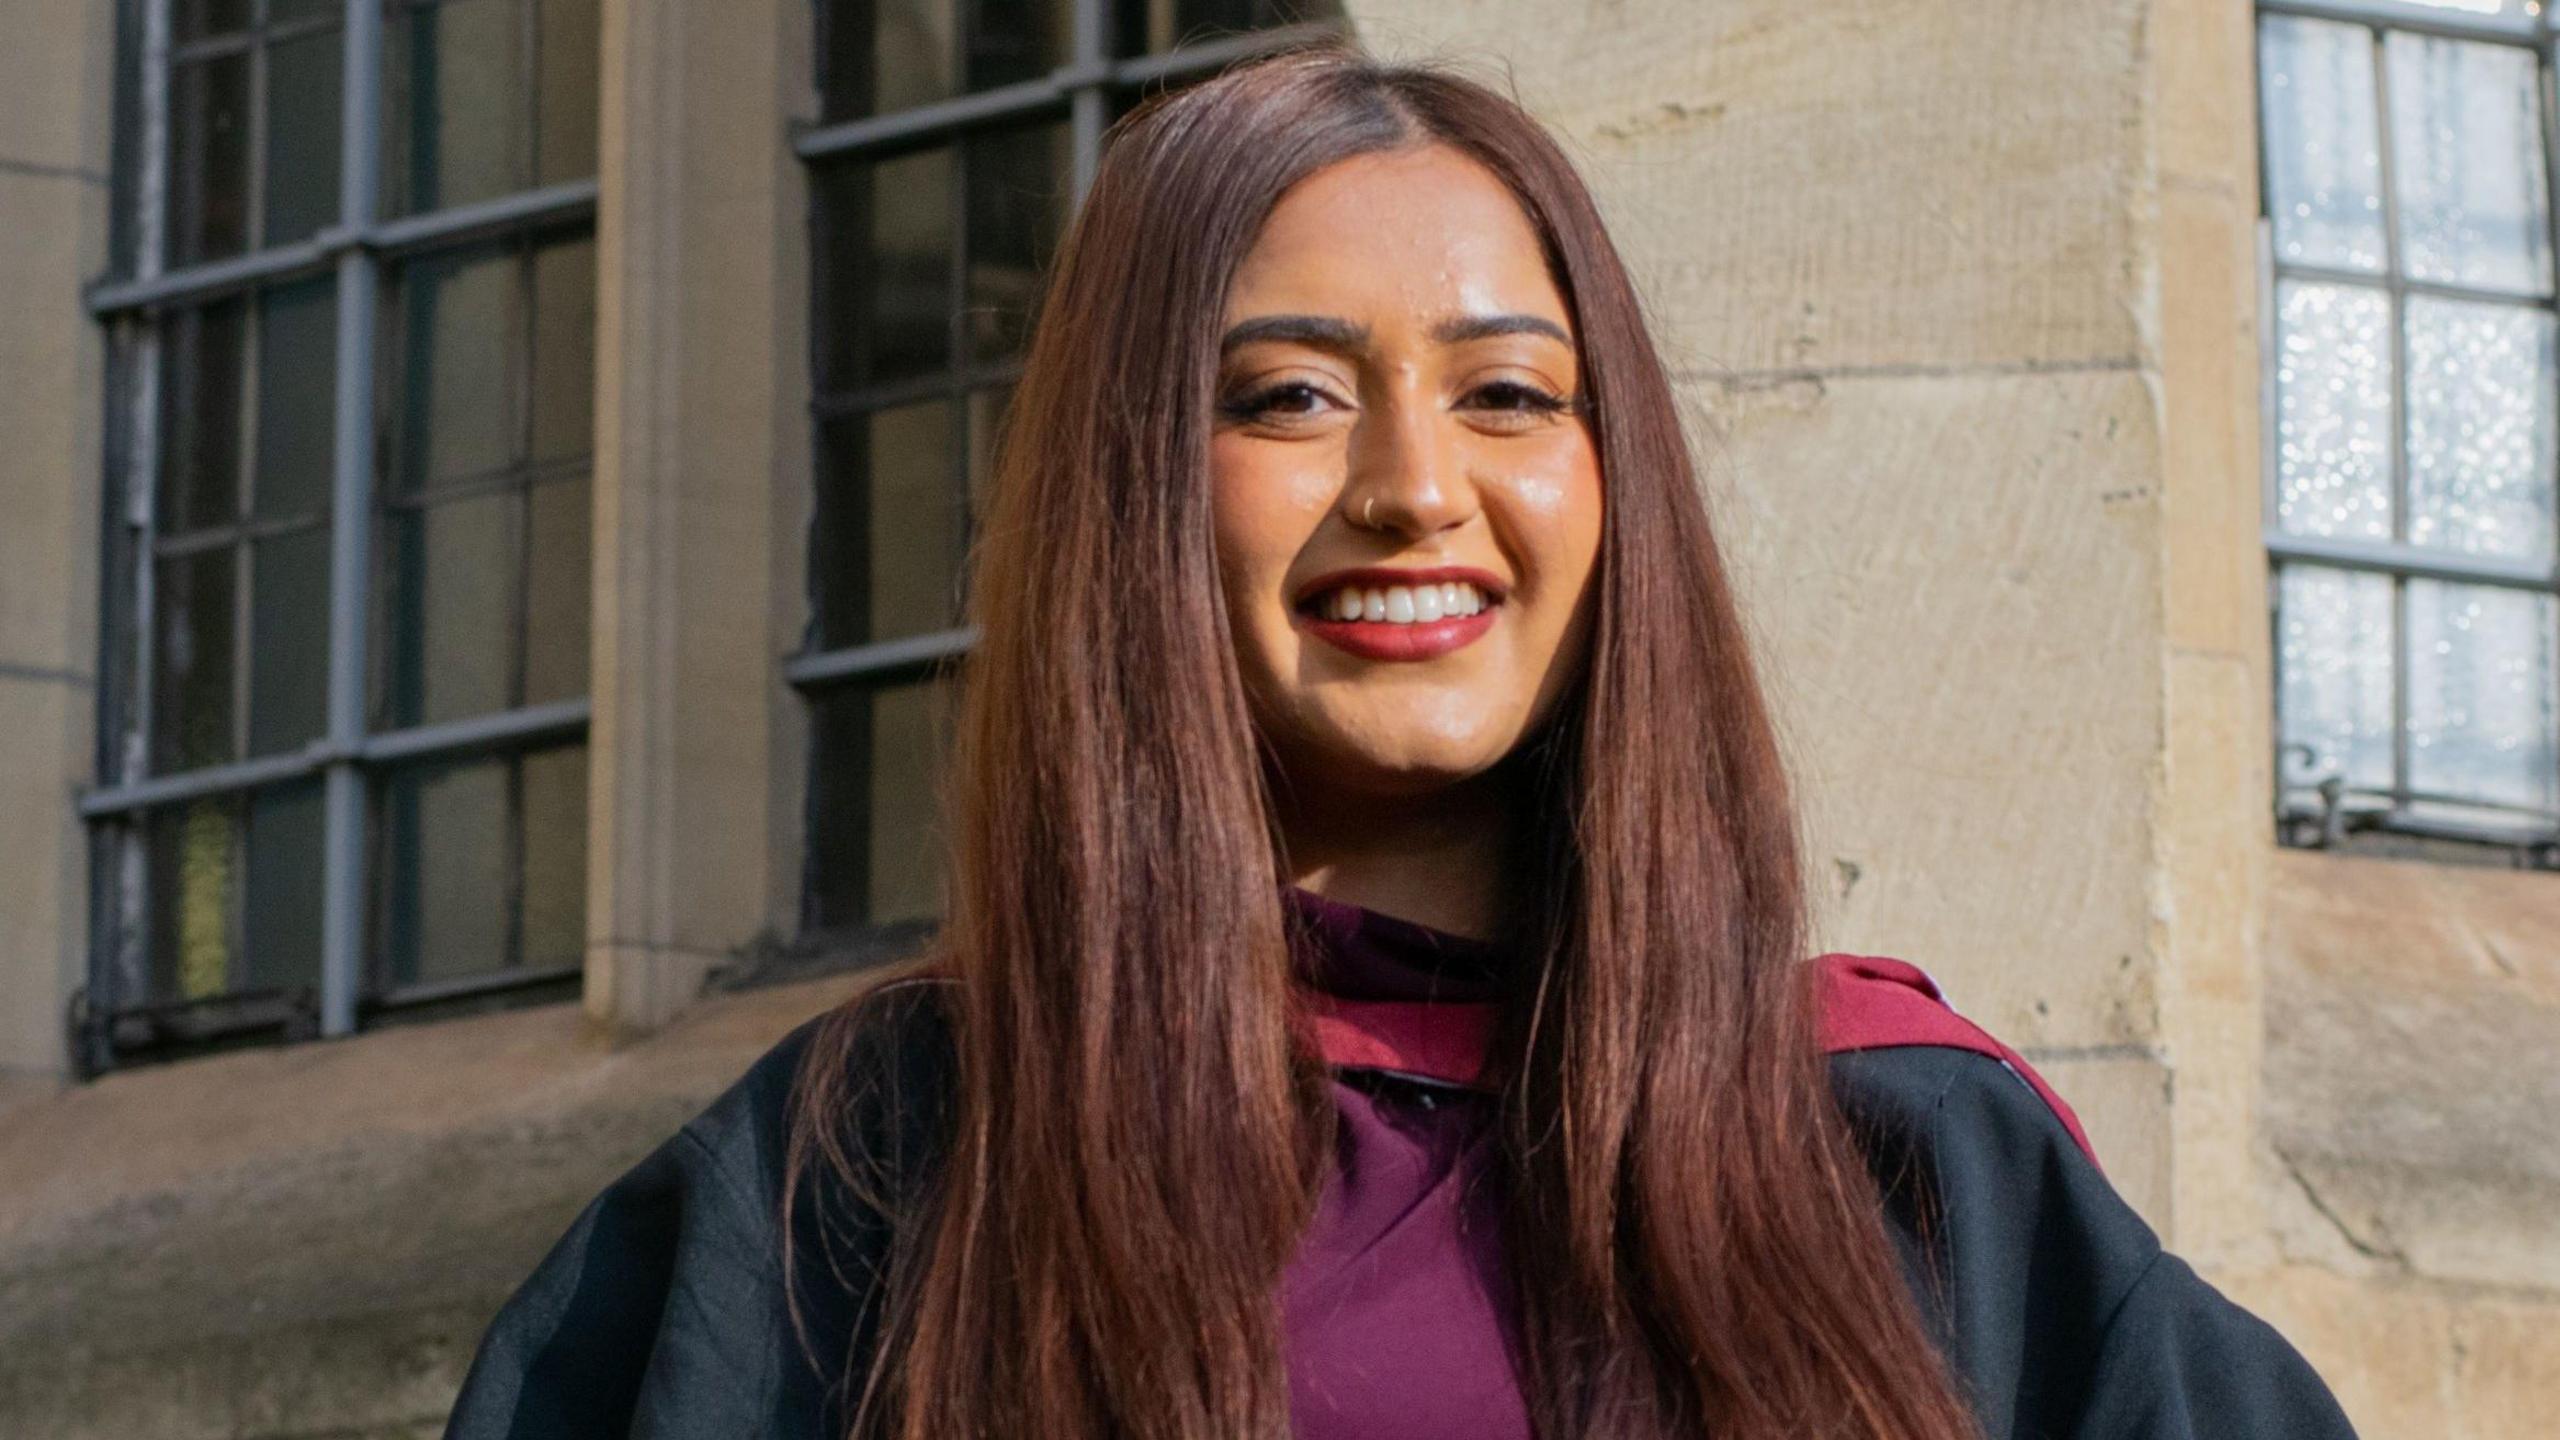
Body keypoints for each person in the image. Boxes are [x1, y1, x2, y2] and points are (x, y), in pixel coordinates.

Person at [442, 38, 2362, 1440]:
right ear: (1133, 493)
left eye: (1510, 394)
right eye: (1288, 396)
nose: (1413, 486)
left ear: (1616, 486)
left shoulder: (1896, 1157)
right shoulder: (861, 1185)